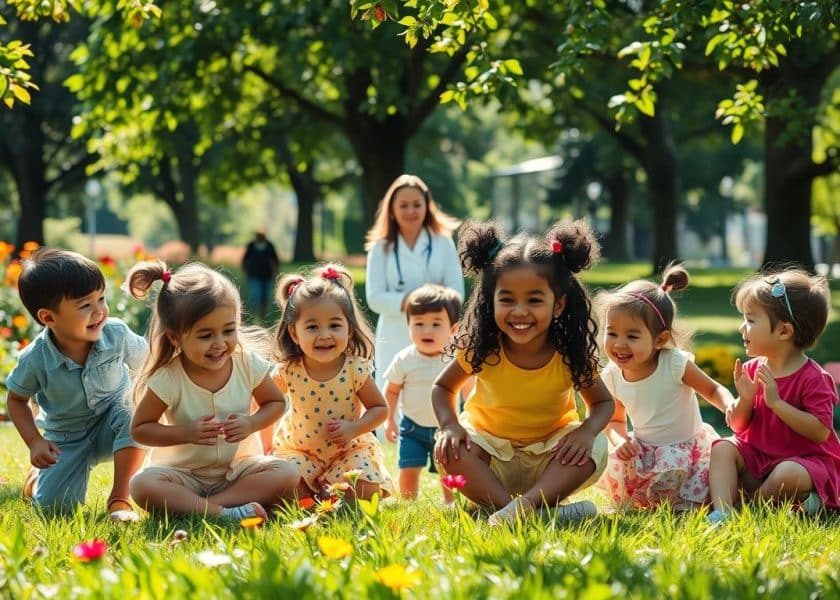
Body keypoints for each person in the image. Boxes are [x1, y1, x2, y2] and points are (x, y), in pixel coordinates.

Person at [432, 219, 614, 526]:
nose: (519, 311)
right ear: (490, 302)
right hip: (489, 454)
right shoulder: (483, 348)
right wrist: (450, 425)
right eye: (507, 300)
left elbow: (603, 403)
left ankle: (524, 508)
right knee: (449, 450)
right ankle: (519, 512)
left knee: (596, 446)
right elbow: (443, 388)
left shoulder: (569, 353)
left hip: (550, 459)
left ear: (558, 305)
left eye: (534, 300)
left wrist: (585, 430)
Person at [126, 260, 299, 521]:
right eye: (205, 335)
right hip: (183, 475)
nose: (219, 343)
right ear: (175, 338)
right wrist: (186, 433)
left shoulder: (246, 363)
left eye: (228, 331)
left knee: (288, 474)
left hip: (239, 471)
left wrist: (251, 423)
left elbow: (276, 403)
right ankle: (220, 511)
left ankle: (208, 509)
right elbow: (141, 429)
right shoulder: (169, 378)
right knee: (141, 485)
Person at [4, 248, 147, 520]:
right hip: (65, 440)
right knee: (55, 510)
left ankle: (119, 499)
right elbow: (16, 399)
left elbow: (149, 362)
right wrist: (35, 441)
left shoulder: (116, 334)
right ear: (48, 318)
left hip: (113, 421)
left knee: (133, 412)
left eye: (101, 299)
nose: (99, 312)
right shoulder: (35, 359)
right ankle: (37, 479)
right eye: (85, 305)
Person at [594, 264, 735, 510]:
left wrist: (729, 405)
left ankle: (674, 503)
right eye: (612, 333)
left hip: (684, 446)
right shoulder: (613, 376)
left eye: (632, 336)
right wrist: (619, 440)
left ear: (660, 339)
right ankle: (649, 500)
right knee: (613, 461)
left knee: (672, 463)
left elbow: (712, 390)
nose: (619, 344)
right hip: (644, 447)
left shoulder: (674, 364)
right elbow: (614, 421)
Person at [707, 269, 840, 523]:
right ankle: (723, 511)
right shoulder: (753, 369)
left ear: (783, 332)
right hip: (758, 457)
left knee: (788, 474)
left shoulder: (814, 378)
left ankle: (750, 507)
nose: (741, 327)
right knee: (723, 448)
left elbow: (820, 431)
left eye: (750, 320)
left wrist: (777, 404)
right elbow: (736, 426)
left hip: (803, 463)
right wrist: (745, 400)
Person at [271, 264, 395, 501]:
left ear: (349, 330)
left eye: (335, 325)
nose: (325, 334)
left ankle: (332, 494)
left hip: (347, 452)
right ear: (295, 334)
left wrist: (354, 429)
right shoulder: (289, 371)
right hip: (300, 453)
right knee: (281, 483)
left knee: (366, 487)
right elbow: (267, 404)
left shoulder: (354, 369)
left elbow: (379, 409)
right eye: (312, 327)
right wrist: (265, 448)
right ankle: (316, 496)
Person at [365, 174, 464, 389]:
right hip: (394, 332)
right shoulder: (381, 247)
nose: (411, 211)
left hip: (437, 332)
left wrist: (431, 304)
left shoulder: (443, 242)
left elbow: (456, 292)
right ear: (392, 209)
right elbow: (374, 298)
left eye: (417, 205)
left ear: (427, 206)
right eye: (404, 205)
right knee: (392, 390)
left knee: (437, 390)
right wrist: (413, 300)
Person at [383, 284, 462, 502]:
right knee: (408, 468)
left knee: (449, 469)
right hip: (412, 427)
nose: (426, 330)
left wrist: (466, 421)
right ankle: (408, 504)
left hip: (447, 427)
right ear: (408, 325)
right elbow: (391, 391)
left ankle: (451, 504)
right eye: (418, 324)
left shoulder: (456, 359)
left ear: (453, 329)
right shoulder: (404, 359)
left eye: (436, 324)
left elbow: (469, 391)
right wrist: (389, 419)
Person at [242, 229, 280, 319]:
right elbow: (245, 260)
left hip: (267, 275)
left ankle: (263, 314)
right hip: (254, 274)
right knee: (255, 295)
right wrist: (245, 272)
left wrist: (275, 272)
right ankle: (250, 313)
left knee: (265, 296)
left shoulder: (269, 245)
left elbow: (275, 260)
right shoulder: (251, 246)